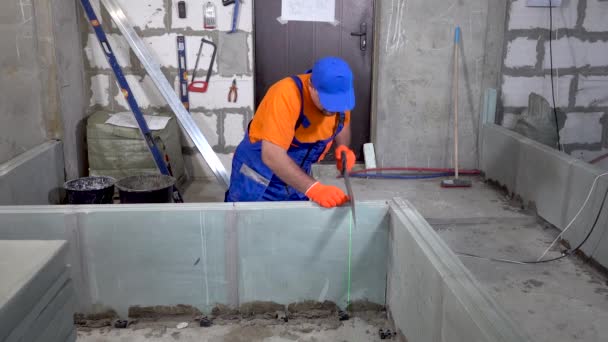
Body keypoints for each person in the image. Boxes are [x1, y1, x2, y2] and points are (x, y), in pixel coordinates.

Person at [225, 57, 357, 208]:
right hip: (259, 179)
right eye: (328, 103)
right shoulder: (285, 95)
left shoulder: (339, 96)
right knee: (248, 225)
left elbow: (342, 121)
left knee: (292, 226)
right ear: (311, 86)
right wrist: (314, 188)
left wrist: (343, 148)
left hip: (296, 177)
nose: (333, 109)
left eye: (338, 105)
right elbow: (272, 155)